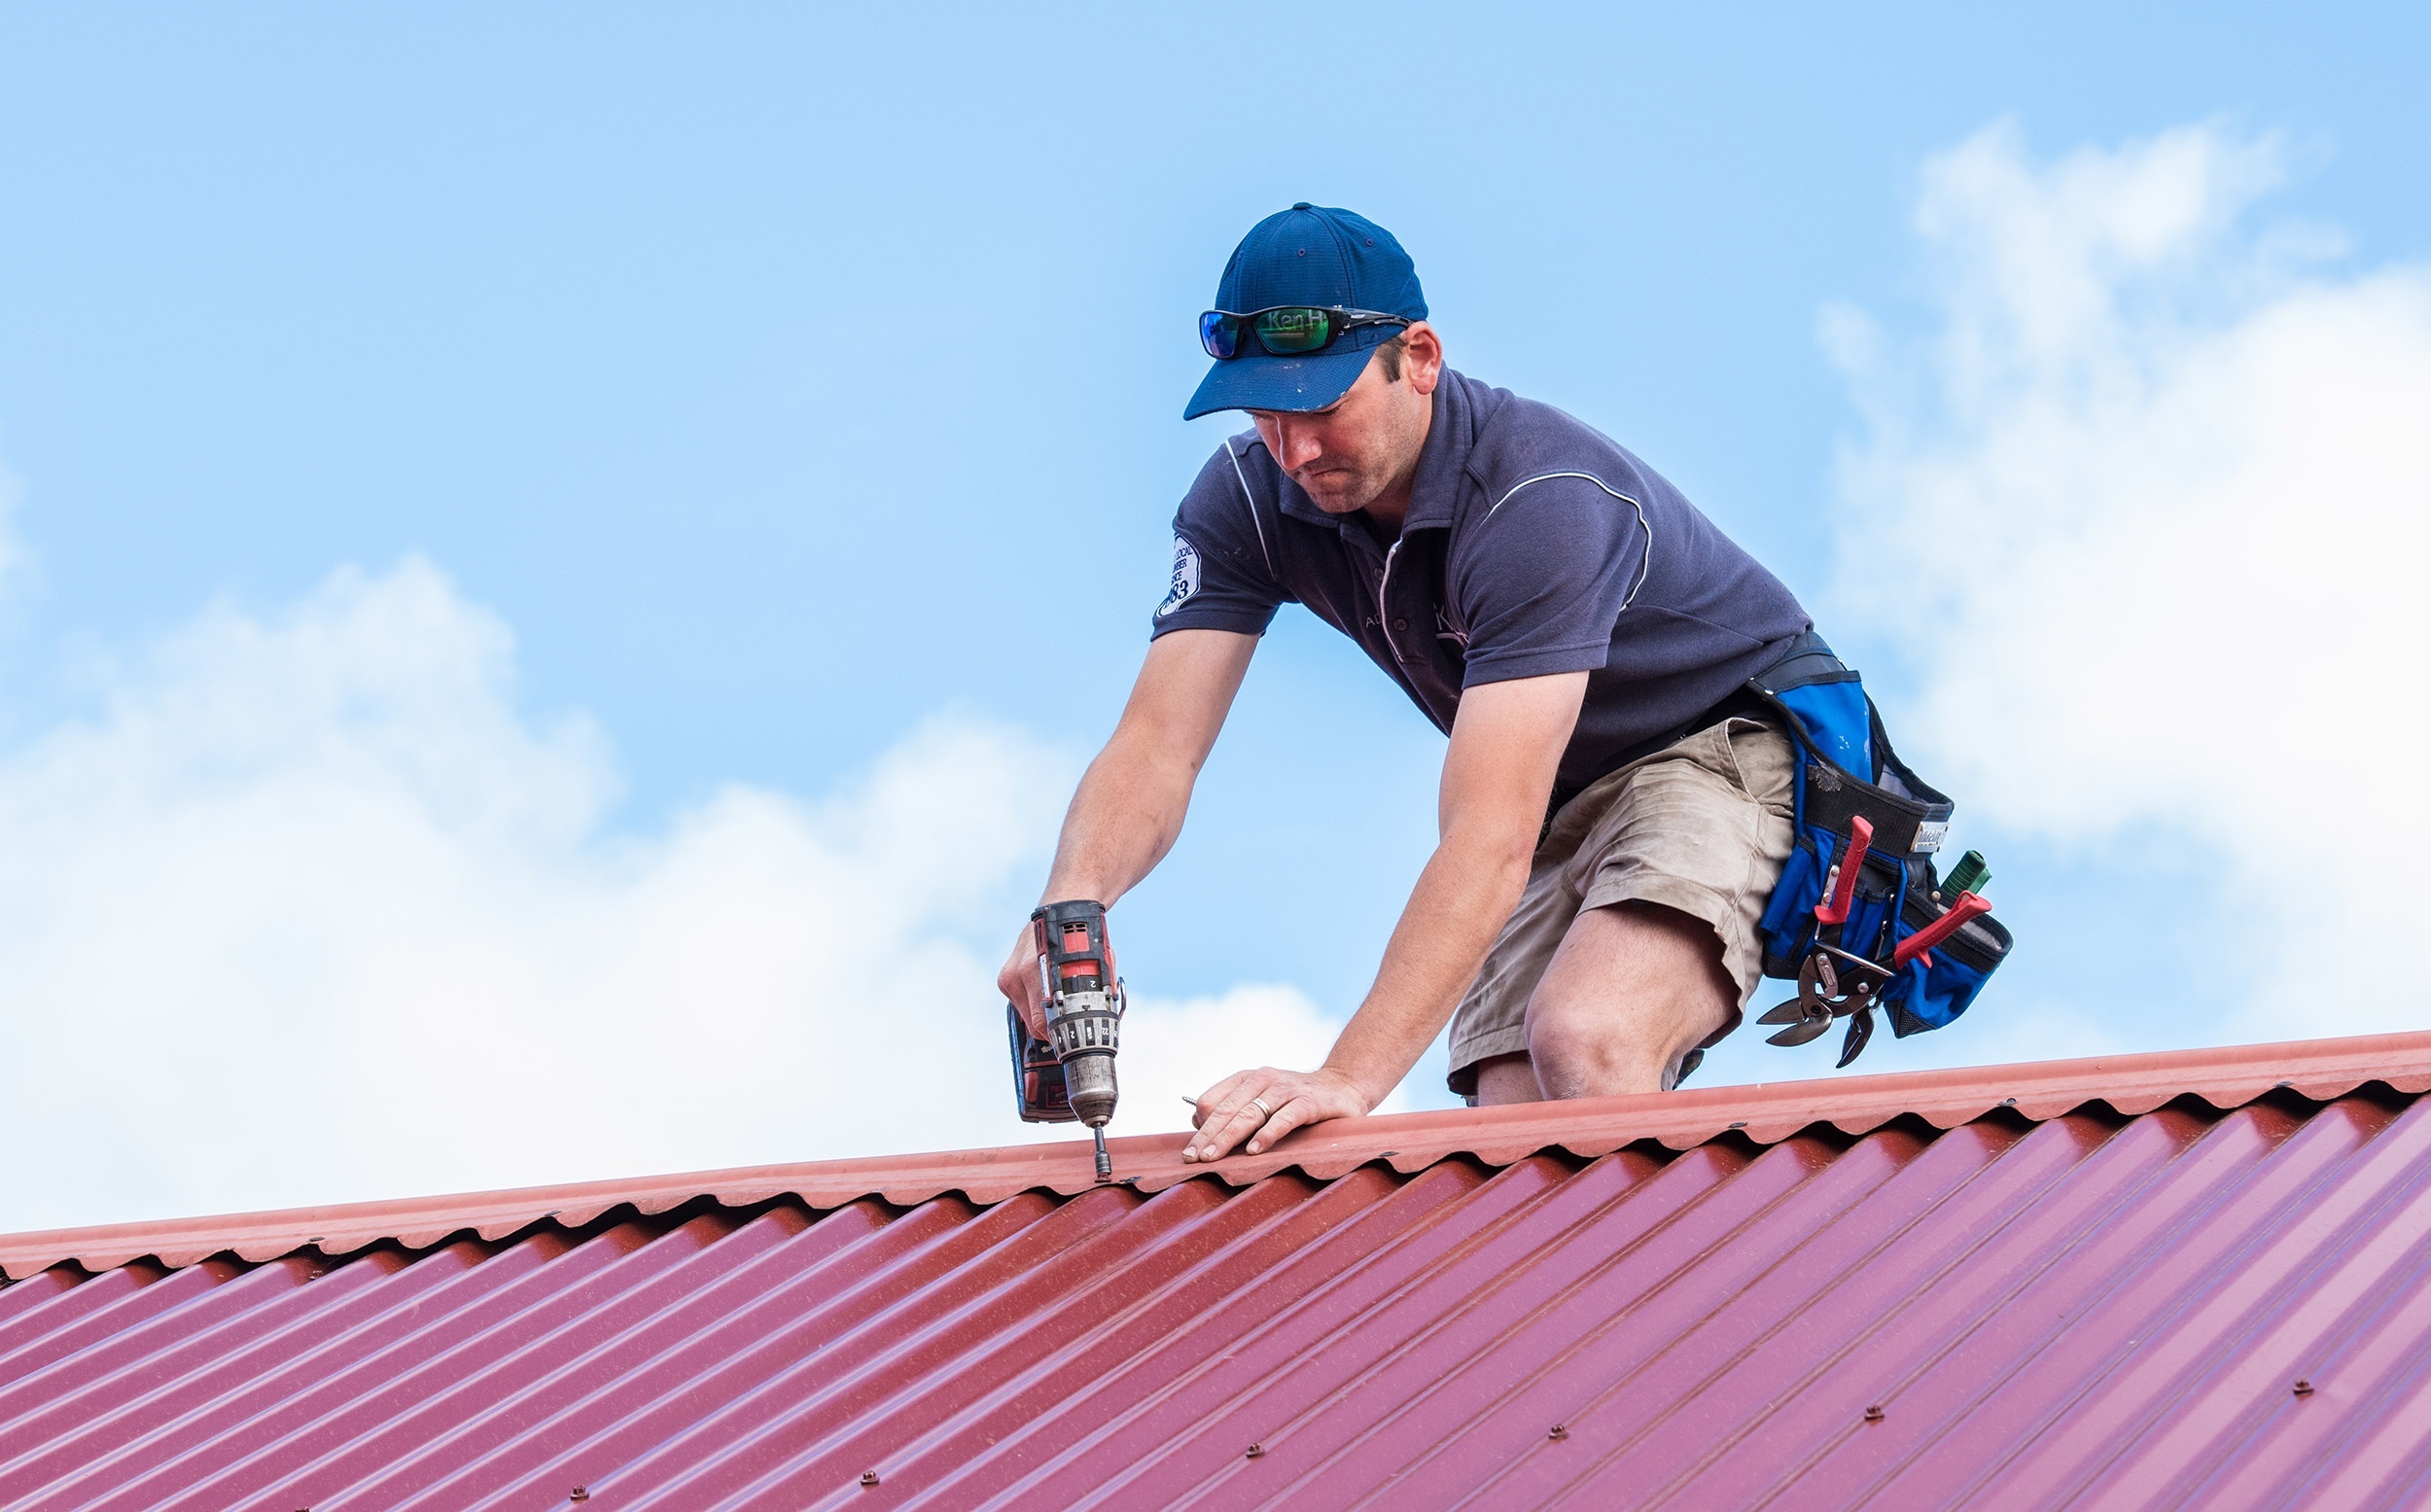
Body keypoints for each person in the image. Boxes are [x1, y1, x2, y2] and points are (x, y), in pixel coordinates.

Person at [999, 203, 1816, 1166]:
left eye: (1322, 407)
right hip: (1567, 790)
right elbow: (1156, 744)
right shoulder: (1247, 498)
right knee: (1516, 1123)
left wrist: (1343, 1079)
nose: (1294, 451)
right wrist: (1071, 905)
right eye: (1266, 415)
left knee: (1586, 1040)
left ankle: (1690, 1315)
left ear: (1418, 358)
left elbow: (1489, 834)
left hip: (1723, 749)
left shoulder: (1536, 505)